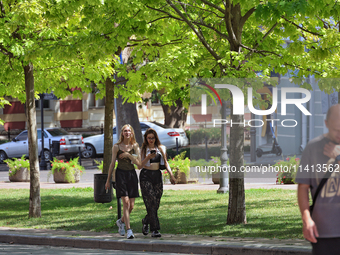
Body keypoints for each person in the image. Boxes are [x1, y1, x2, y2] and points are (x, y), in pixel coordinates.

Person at [296, 104, 340, 255]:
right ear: (326, 124)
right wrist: (306, 219)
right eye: (336, 129)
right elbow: (303, 187)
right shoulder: (313, 148)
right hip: (324, 232)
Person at [105, 124, 141, 239]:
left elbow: (139, 164)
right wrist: (108, 180)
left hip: (132, 175)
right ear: (122, 133)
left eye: (129, 131)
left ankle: (121, 222)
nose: (127, 133)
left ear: (132, 133)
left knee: (131, 206)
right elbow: (112, 164)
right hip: (120, 175)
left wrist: (128, 155)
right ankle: (129, 230)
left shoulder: (135, 146)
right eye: (125, 131)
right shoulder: (116, 147)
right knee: (125, 202)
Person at [139, 128, 176, 237]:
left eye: (153, 138)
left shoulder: (161, 148)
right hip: (145, 175)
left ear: (156, 138)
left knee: (156, 203)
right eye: (149, 138)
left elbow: (166, 163)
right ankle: (154, 230)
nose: (151, 140)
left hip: (156, 176)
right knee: (151, 201)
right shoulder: (143, 149)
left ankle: (146, 221)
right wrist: (148, 157)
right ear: (146, 138)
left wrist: (171, 175)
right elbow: (139, 165)